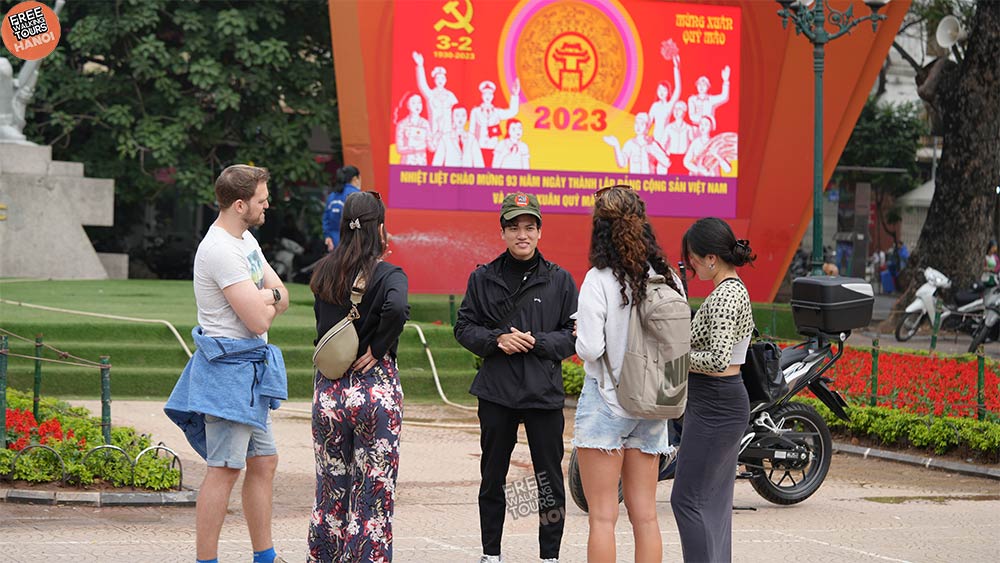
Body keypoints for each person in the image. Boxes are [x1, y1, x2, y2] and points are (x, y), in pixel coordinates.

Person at [164, 164, 290, 563]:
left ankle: (264, 556)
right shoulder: (219, 249)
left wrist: (266, 299)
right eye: (261, 200)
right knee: (223, 468)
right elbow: (257, 319)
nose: (267, 204)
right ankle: (207, 561)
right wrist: (268, 300)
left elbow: (282, 295)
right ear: (239, 204)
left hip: (249, 371)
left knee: (264, 462)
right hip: (228, 371)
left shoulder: (246, 240)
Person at [454, 192, 578, 563]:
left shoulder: (560, 280)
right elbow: (463, 327)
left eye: (529, 227)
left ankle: (549, 556)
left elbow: (574, 335)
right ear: (503, 232)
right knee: (492, 476)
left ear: (540, 231)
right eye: (513, 227)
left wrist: (537, 342)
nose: (521, 234)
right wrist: (497, 340)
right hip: (497, 393)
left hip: (543, 394)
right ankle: (490, 553)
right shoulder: (483, 277)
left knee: (548, 481)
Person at [573, 185, 682, 563]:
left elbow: (589, 349)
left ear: (599, 227)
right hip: (653, 402)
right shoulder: (669, 277)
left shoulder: (598, 279)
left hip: (607, 401)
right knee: (646, 516)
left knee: (603, 517)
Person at [308, 191, 409, 562]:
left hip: (330, 393)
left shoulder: (323, 271)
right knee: (372, 497)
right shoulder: (388, 274)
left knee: (331, 492)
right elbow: (397, 307)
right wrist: (378, 347)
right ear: (380, 229)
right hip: (374, 392)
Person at [671, 217, 755, 563]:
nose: (690, 264)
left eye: (692, 257)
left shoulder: (724, 296)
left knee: (687, 500)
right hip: (723, 401)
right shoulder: (735, 289)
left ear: (710, 258)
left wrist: (675, 358)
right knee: (714, 502)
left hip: (715, 403)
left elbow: (718, 359)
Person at [470, 79, 521, 167]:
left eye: (490, 93)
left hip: (493, 148)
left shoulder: (497, 112)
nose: (488, 96)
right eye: (485, 93)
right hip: (479, 148)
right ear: (482, 95)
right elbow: (471, 131)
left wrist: (515, 95)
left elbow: (513, 111)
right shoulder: (476, 111)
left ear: (493, 96)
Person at [603, 112, 670, 174]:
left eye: (642, 124)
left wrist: (654, 152)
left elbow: (667, 163)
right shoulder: (630, 144)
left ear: (647, 127)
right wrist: (616, 146)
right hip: (634, 183)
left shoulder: (652, 144)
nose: (638, 126)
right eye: (636, 123)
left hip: (649, 183)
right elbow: (622, 164)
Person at [322, 165, 361, 251]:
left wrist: (327, 236)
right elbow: (362, 220)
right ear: (355, 179)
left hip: (334, 244)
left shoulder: (332, 196)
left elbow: (326, 218)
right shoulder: (357, 195)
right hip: (352, 245)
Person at [395, 92, 432, 165]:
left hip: (422, 164)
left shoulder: (425, 123)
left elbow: (430, 147)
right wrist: (415, 148)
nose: (417, 106)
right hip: (407, 164)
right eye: (413, 103)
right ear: (407, 105)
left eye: (419, 102)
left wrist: (439, 135)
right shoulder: (402, 124)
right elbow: (399, 149)